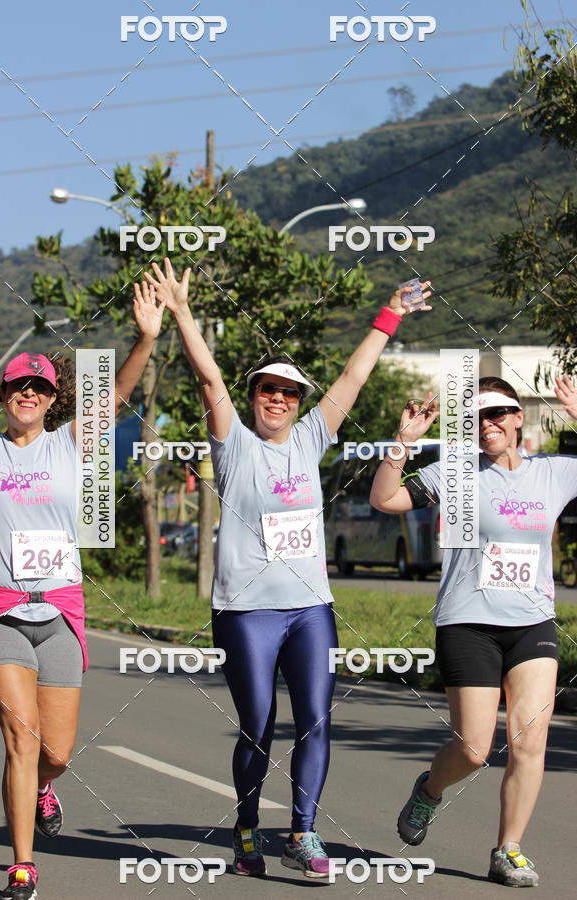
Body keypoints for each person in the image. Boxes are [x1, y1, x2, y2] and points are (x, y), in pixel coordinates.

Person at [143, 257, 432, 878]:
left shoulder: (309, 439)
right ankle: (247, 828)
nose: (277, 399)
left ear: (300, 403)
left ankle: (303, 833)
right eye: (267, 390)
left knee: (317, 721)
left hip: (310, 610)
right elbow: (209, 378)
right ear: (252, 400)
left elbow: (354, 378)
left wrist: (390, 315)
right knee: (256, 726)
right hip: (246, 613)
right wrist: (184, 313)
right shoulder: (233, 443)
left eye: (289, 392)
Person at [0, 281, 166, 900]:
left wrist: (145, 336)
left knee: (54, 752)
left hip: (60, 611)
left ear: (53, 398)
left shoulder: (69, 446)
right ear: (3, 395)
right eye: (16, 386)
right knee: (21, 740)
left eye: (39, 387)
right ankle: (22, 865)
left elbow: (114, 396)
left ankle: (44, 786)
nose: (27, 394)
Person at [369, 373, 577, 888]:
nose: (487, 424)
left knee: (531, 743)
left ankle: (508, 850)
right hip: (468, 622)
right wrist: (404, 445)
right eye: (478, 416)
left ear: (517, 418)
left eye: (497, 414)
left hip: (532, 623)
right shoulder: (460, 473)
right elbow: (385, 499)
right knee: (474, 749)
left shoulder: (554, 473)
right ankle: (430, 790)